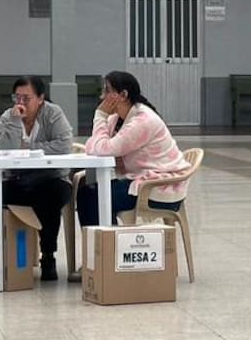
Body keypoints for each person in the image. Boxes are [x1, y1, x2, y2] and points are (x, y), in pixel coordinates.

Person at [77, 70, 190, 227]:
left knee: (92, 196)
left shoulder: (142, 121)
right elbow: (94, 146)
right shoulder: (117, 118)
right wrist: (102, 128)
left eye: (107, 91)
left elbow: (102, 148)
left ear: (123, 94)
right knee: (88, 191)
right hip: (141, 180)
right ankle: (105, 245)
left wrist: (100, 116)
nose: (102, 97)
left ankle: (106, 246)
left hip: (159, 187)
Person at [0, 75, 73, 281]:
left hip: (50, 178)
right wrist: (13, 123)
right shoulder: (7, 117)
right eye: (16, 97)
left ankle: (48, 255)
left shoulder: (53, 114)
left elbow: (64, 145)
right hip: (16, 179)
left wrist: (27, 149)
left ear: (41, 99)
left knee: (50, 196)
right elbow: (2, 150)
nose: (20, 103)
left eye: (26, 98)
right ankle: (4, 257)